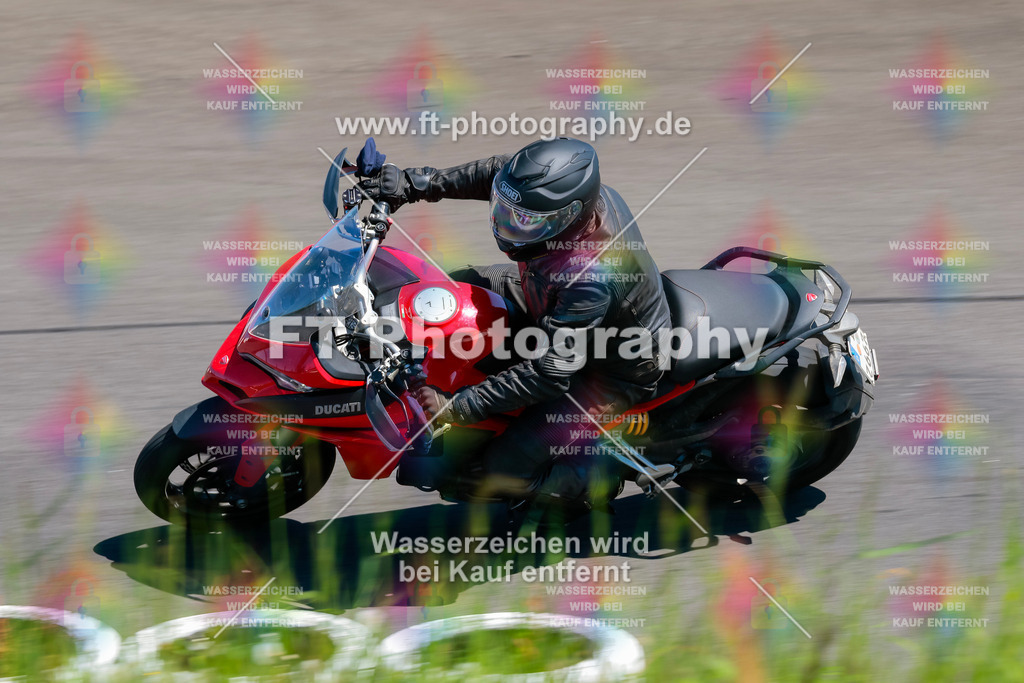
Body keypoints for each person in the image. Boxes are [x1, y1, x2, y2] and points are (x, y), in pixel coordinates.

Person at [359, 137, 671, 517]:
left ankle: (587, 485)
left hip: (612, 368)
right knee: (451, 290)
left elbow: (550, 372)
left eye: (524, 221)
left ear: (569, 216)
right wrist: (414, 184)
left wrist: (457, 407)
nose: (509, 225)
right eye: (507, 212)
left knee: (504, 468)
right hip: (548, 296)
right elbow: (493, 174)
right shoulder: (549, 196)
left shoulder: (591, 275)